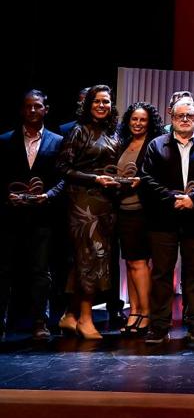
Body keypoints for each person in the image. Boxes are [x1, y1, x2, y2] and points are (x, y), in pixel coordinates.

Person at [139, 95, 194, 344]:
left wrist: (193, 197)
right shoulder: (156, 145)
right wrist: (172, 197)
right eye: (180, 116)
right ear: (171, 118)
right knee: (161, 274)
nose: (185, 119)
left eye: (190, 116)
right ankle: (159, 326)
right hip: (163, 219)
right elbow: (147, 178)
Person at [56, 85, 121, 339]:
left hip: (107, 202)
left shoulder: (112, 131)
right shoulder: (78, 131)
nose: (102, 105)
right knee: (88, 258)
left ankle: (70, 316)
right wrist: (95, 179)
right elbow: (63, 167)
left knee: (95, 258)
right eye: (97, 101)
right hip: (83, 204)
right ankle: (85, 318)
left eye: (106, 101)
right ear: (88, 104)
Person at [0, 91, 64, 341]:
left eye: (37, 106)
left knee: (41, 271)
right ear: (22, 110)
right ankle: (1, 322)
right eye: (28, 107)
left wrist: (48, 196)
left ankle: (41, 321)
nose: (32, 111)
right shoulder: (5, 140)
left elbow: (63, 179)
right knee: (4, 271)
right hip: (10, 216)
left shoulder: (57, 141)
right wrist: (7, 197)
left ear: (46, 109)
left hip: (42, 216)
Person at [112, 102, 162, 335]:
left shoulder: (154, 145)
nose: (138, 123)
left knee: (140, 262)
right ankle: (134, 310)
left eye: (142, 120)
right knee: (130, 263)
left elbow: (156, 177)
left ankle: (146, 312)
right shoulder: (123, 144)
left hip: (143, 210)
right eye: (134, 119)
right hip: (122, 209)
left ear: (149, 122)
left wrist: (140, 181)